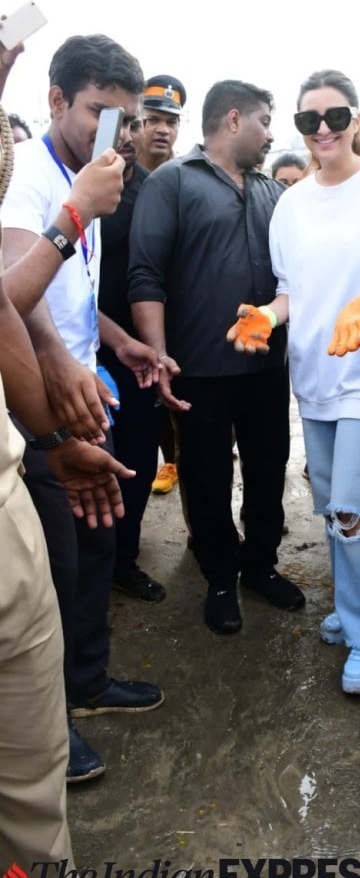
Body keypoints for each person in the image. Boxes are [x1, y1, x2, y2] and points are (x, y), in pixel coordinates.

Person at [227, 69, 360, 693]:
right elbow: (291, 291)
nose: (322, 130)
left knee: (352, 510)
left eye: (335, 116)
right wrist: (267, 313)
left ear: (357, 119)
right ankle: (355, 606)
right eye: (308, 120)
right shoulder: (291, 203)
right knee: (334, 507)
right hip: (316, 374)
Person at [1, 34, 164, 783]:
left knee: (99, 536)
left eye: (124, 119)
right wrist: (75, 213)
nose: (117, 134)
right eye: (101, 112)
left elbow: (69, 290)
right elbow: (10, 292)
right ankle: (47, 728)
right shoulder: (32, 179)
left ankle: (88, 681)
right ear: (57, 99)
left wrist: (115, 340)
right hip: (35, 402)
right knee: (51, 571)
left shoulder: (87, 173)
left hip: (83, 384)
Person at [129, 79, 304, 635]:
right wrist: (157, 354)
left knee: (268, 466)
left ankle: (260, 564)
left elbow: (299, 273)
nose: (272, 134)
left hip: (265, 368)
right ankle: (221, 576)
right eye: (264, 121)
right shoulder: (173, 182)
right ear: (233, 120)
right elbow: (146, 274)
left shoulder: (271, 191)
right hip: (197, 369)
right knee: (205, 478)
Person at [98, 109, 167, 601]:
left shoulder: (152, 189)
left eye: (133, 124)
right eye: (114, 121)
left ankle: (124, 558)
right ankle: (91, 569)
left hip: (135, 347)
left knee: (138, 458)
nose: (128, 134)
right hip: (75, 346)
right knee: (91, 459)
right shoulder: (69, 181)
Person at [137, 75, 188, 497]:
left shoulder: (187, 179)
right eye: (152, 119)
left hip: (178, 322)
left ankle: (175, 464)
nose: (162, 129)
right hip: (123, 323)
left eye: (170, 121)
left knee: (185, 419)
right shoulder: (111, 175)